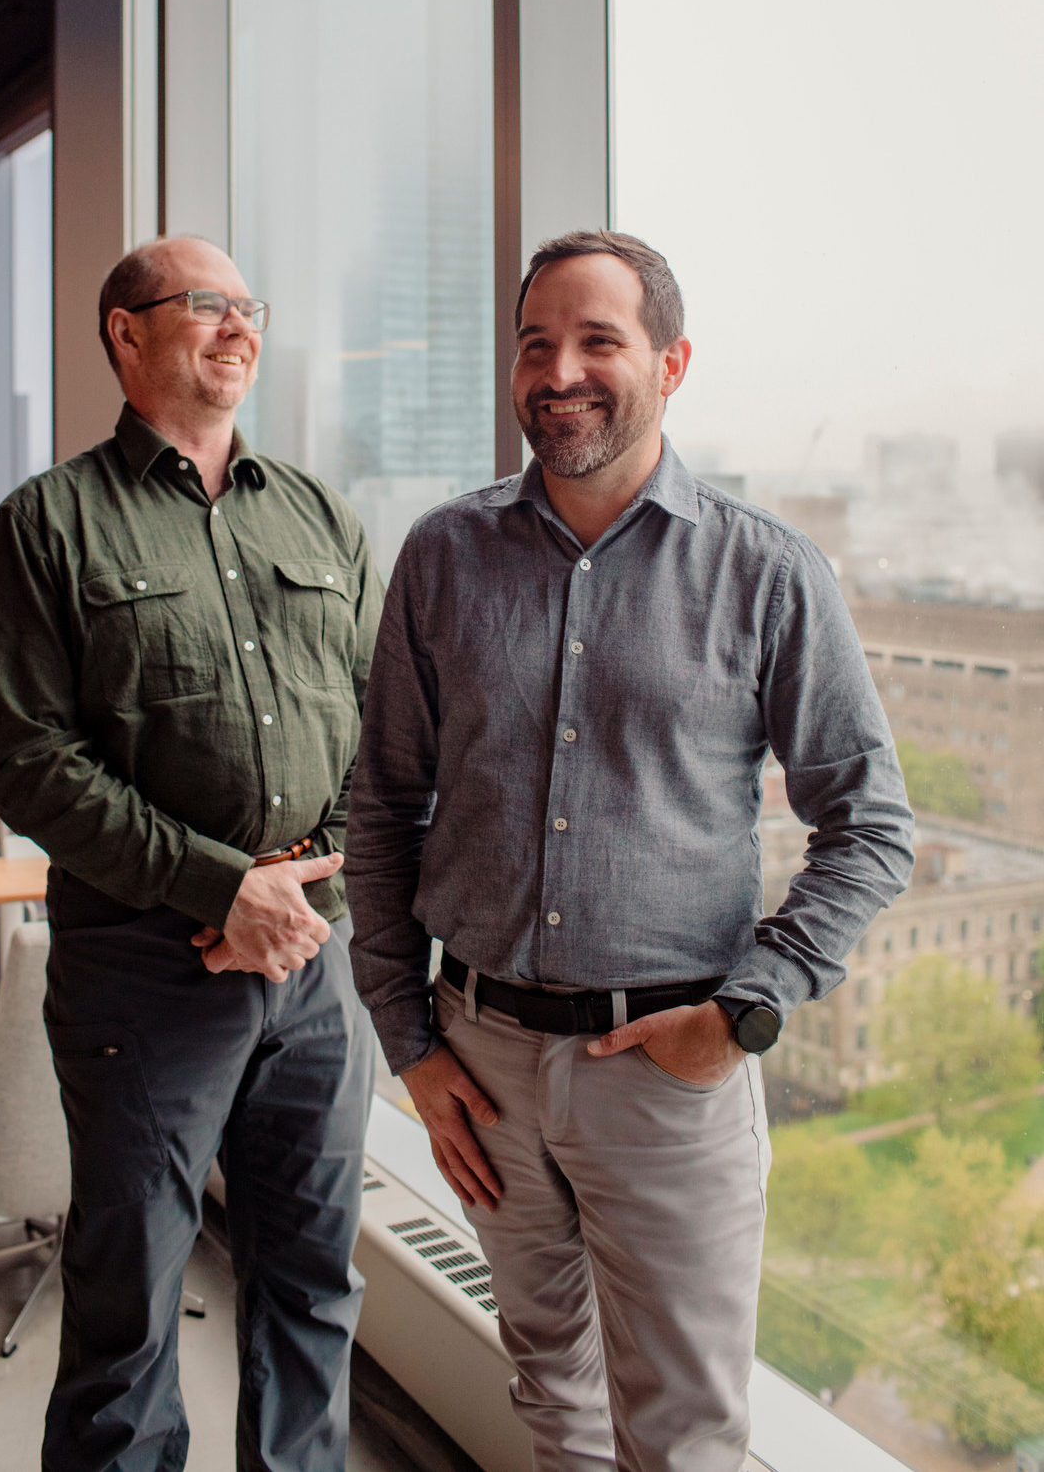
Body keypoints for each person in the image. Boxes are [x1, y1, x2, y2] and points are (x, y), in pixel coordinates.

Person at [345, 229, 914, 1472]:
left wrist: (746, 1011)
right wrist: (412, 1042)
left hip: (670, 1068)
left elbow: (870, 823)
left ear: (672, 360)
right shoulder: (442, 555)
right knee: (553, 1393)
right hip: (480, 1060)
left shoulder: (767, 573)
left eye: (599, 339)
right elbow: (384, 803)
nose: (561, 369)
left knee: (686, 1431)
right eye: (536, 342)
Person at [0, 235, 382, 1472]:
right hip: (146, 970)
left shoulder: (319, 515)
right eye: (206, 305)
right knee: (127, 1312)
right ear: (126, 334)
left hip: (314, 973)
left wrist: (310, 887)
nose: (238, 326)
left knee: (312, 1285)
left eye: (250, 306)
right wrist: (220, 887)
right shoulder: (46, 526)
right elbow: (31, 760)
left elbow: (390, 727)